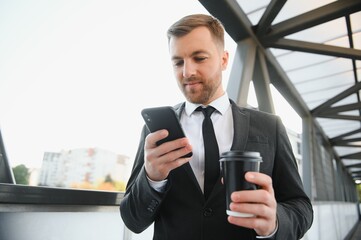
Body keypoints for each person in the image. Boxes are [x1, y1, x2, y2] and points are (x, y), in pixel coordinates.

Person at [120, 14, 313, 240]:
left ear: (223, 60)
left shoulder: (270, 126)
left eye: (199, 58)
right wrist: (152, 178)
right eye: (178, 62)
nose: (187, 72)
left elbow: (301, 207)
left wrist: (275, 221)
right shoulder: (155, 133)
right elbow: (133, 220)